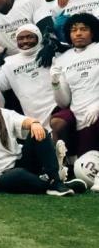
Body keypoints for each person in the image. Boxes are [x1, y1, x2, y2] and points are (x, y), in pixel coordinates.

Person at [50, 13, 99, 155]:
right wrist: (55, 83)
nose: (78, 33)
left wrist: (97, 106)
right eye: (74, 30)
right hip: (80, 118)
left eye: (84, 29)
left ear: (93, 32)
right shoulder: (62, 59)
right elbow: (64, 102)